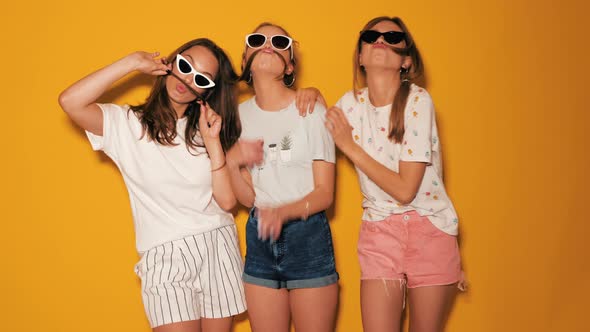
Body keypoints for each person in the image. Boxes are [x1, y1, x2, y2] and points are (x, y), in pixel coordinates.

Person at [58, 38, 263, 332]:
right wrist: (131, 63)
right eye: (184, 65)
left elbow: (228, 202)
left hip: (217, 245)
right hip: (163, 254)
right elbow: (70, 101)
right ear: (171, 63)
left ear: (206, 91)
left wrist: (213, 142)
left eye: (201, 78)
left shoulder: (210, 128)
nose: (188, 79)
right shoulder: (127, 124)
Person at [325, 16, 465, 332]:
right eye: (371, 35)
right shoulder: (350, 104)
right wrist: (309, 96)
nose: (380, 40)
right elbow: (311, 141)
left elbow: (405, 190)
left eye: (392, 36)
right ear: (360, 56)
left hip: (430, 230)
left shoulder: (418, 100)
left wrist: (349, 145)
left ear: (406, 60)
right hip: (379, 232)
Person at [226, 23, 339, 332]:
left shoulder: (311, 109)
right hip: (260, 234)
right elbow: (247, 197)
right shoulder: (236, 117)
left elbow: (325, 193)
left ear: (289, 64)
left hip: (308, 235)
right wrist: (231, 162)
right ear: (245, 59)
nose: (267, 45)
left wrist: (283, 212)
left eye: (278, 41)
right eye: (257, 40)